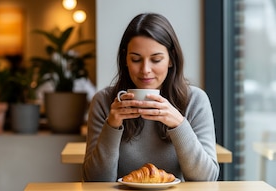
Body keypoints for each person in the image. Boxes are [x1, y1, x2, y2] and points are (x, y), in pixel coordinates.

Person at [82, 13, 219, 182]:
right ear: (125, 59)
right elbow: (94, 181)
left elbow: (207, 179)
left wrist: (179, 124)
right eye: (136, 59)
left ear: (171, 59)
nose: (145, 69)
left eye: (156, 59)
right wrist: (112, 125)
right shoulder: (103, 102)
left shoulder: (195, 100)